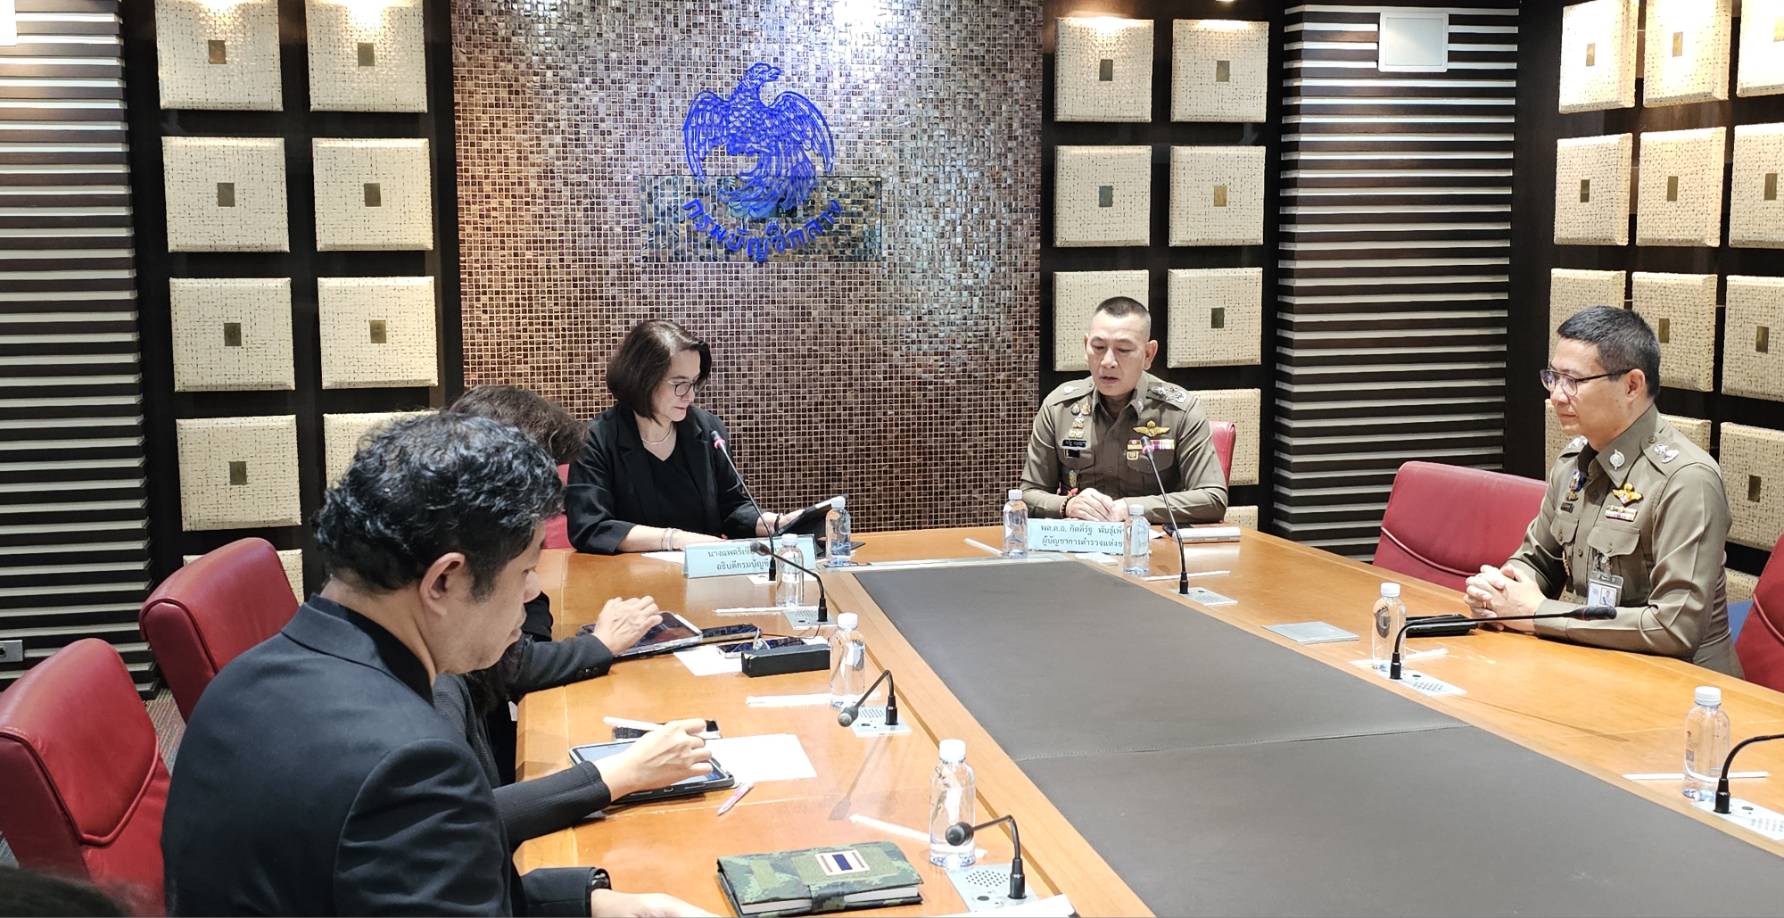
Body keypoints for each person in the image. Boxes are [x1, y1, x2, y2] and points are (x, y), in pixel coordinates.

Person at [161, 414, 708, 916]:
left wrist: (591, 902)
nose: (532, 591)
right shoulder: (413, 765)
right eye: (525, 571)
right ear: (444, 580)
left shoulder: (237, 683)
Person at [1465, 306, 1740, 676]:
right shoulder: (1573, 461)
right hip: (1596, 665)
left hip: (1684, 684)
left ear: (1632, 385)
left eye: (1573, 381)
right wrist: (1500, 592)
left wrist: (1537, 613)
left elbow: (1674, 628)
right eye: (1553, 377)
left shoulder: (1686, 480)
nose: (1557, 396)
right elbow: (1538, 561)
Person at [566, 320, 800, 553]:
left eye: (694, 383)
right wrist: (674, 539)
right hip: (628, 574)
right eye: (679, 384)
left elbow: (732, 509)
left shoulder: (708, 430)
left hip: (703, 570)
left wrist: (777, 523)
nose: (690, 396)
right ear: (641, 378)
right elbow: (590, 527)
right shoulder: (596, 439)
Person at [1019, 296, 1228, 524]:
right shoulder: (1059, 408)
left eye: (1123, 350)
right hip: (1081, 539)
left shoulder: (1179, 411)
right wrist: (1068, 505)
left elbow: (1213, 498)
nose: (1107, 361)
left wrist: (1131, 509)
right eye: (1098, 347)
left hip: (1153, 542)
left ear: (1148, 354)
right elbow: (1028, 495)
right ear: (1086, 346)